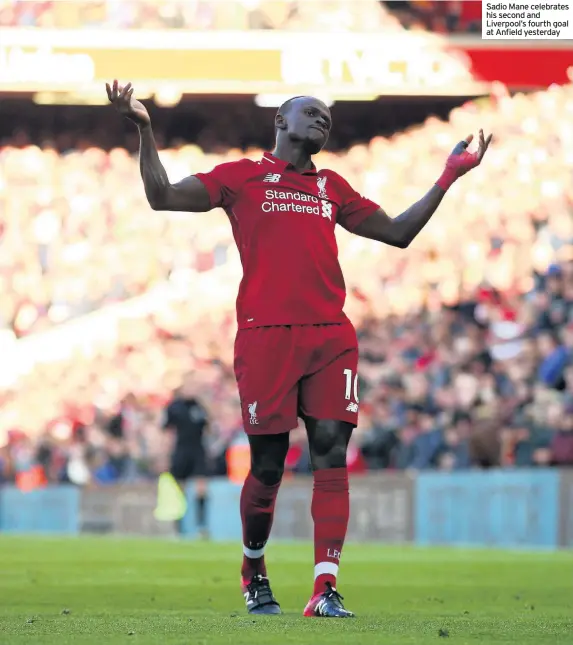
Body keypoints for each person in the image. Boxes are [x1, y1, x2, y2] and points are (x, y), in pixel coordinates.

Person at [106, 80, 492, 617]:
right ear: (281, 122)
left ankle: (324, 587)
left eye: (327, 118)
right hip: (266, 336)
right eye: (310, 113)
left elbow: (400, 232)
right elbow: (162, 196)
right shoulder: (241, 177)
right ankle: (253, 566)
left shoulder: (333, 186)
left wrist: (449, 176)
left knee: (331, 453)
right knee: (268, 465)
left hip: (331, 336)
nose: (321, 121)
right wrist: (144, 129)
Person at [162, 373, 210, 538]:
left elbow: (209, 426)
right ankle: (178, 528)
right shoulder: (174, 407)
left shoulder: (200, 406)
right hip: (181, 450)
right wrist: (166, 454)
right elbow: (168, 432)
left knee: (201, 488)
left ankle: (201, 526)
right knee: (179, 490)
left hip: (198, 450)